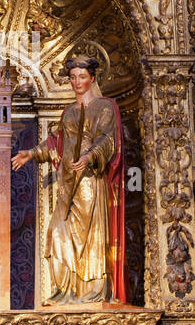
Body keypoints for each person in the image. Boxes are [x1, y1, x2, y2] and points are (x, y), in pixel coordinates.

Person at [12, 54, 125, 303]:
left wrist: (89, 156)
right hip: (66, 181)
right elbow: (57, 143)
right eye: (73, 78)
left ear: (92, 78)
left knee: (89, 236)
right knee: (59, 232)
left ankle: (92, 291)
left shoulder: (104, 106)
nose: (77, 82)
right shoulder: (70, 111)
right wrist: (31, 153)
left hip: (89, 180)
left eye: (82, 77)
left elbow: (108, 139)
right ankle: (65, 290)